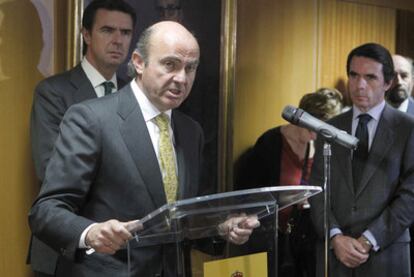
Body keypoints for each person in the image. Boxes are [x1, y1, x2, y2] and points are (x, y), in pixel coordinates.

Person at [29, 21, 259, 277]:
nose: (181, 78)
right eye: (170, 64)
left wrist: (223, 226)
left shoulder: (191, 131)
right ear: (139, 62)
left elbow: (186, 214)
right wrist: (90, 233)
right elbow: (46, 211)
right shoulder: (91, 119)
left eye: (190, 68)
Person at [28, 1, 136, 276]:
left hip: (122, 252)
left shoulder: (134, 96)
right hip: (66, 248)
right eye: (107, 30)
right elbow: (48, 167)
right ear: (86, 35)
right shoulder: (54, 92)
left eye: (125, 33)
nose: (117, 40)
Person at [310, 43, 414, 277]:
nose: (360, 85)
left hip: (386, 254)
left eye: (370, 77)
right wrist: (335, 236)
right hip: (335, 256)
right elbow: (317, 192)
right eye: (354, 75)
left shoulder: (407, 129)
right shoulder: (329, 128)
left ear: (388, 83)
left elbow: (410, 196)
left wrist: (368, 240)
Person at [234, 88, 343, 277]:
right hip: (269, 236)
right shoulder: (270, 143)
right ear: (299, 119)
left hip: (302, 238)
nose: (314, 137)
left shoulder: (317, 144)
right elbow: (251, 194)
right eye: (311, 129)